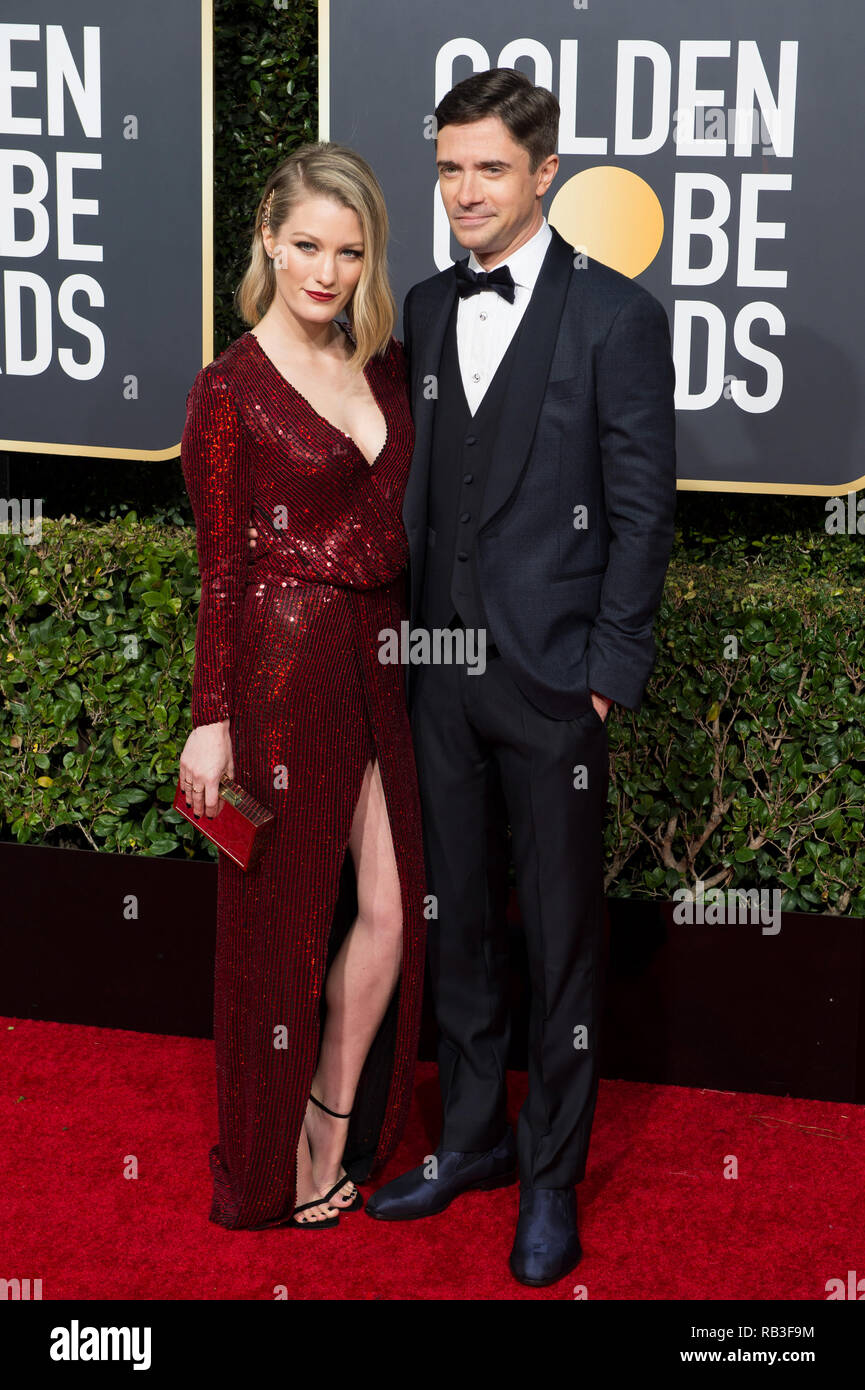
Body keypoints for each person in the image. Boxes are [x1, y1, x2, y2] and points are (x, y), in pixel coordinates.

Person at [363, 68, 678, 1287]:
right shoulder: (430, 307)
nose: (463, 192)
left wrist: (603, 675)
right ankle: (468, 1142)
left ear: (545, 173)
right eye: (448, 168)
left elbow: (644, 509)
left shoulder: (616, 316)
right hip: (439, 668)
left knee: (558, 941)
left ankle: (551, 1180)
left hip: (554, 683)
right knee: (458, 930)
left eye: (489, 168)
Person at [178, 142, 427, 1231]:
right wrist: (209, 722)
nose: (325, 271)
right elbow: (221, 569)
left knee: (391, 909)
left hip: (386, 658)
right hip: (281, 680)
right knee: (275, 931)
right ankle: (264, 1169)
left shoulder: (385, 366)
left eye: (349, 251)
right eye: (307, 247)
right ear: (267, 242)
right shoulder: (227, 389)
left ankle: (330, 1122)